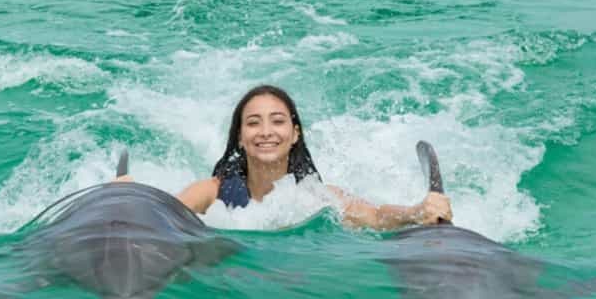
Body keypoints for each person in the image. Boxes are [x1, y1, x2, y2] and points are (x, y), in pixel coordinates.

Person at [173, 84, 452, 230]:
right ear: (240, 137)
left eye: (278, 121)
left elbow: (377, 217)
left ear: (295, 134)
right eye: (254, 123)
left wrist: (418, 211)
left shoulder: (317, 198)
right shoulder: (211, 193)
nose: (266, 132)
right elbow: (162, 215)